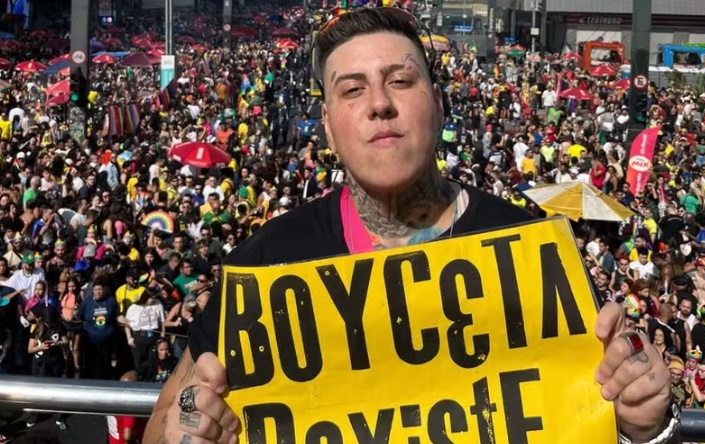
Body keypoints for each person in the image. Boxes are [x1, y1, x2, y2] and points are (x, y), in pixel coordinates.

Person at [143, 8, 672, 444]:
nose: (380, 104)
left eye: (400, 81)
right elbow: (166, 422)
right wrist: (187, 427)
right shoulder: (263, 266)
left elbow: (593, 415)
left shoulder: (534, 251)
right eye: (352, 90)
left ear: (437, 105)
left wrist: (643, 427)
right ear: (327, 125)